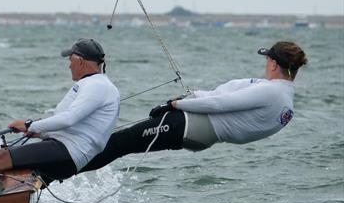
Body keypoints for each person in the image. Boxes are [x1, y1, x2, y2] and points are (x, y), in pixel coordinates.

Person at [80, 41, 307, 173]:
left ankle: (58, 170)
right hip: (200, 135)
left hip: (190, 125)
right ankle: (60, 171)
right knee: (122, 145)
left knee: (119, 142)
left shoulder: (271, 91)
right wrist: (192, 97)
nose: (266, 63)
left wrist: (175, 104)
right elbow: (221, 96)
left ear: (275, 64)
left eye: (268, 59)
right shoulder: (285, 100)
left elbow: (220, 104)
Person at [0, 38, 120, 201]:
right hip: (63, 148)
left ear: (80, 61)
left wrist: (29, 126)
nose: (69, 65)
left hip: (68, 153)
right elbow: (76, 128)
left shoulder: (98, 86)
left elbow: (69, 119)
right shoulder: (93, 84)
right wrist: (40, 134)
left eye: (70, 60)